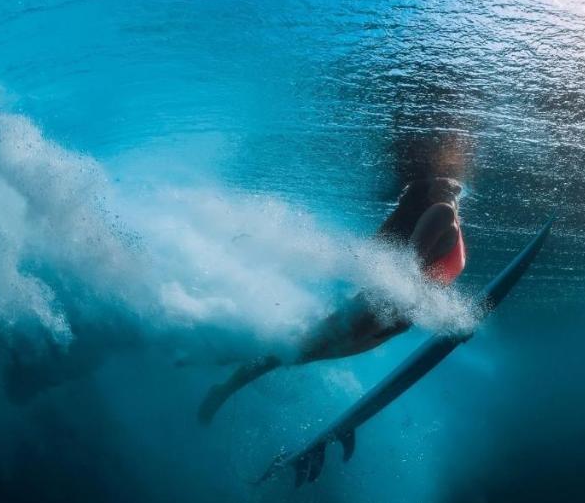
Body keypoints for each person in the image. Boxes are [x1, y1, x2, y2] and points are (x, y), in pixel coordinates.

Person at [197, 177, 466, 424]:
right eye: (443, 182)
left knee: (297, 355)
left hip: (389, 316)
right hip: (375, 311)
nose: (451, 185)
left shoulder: (448, 216)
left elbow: (417, 273)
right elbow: (409, 267)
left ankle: (225, 358)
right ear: (428, 188)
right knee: (291, 353)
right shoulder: (441, 212)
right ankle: (223, 380)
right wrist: (449, 318)